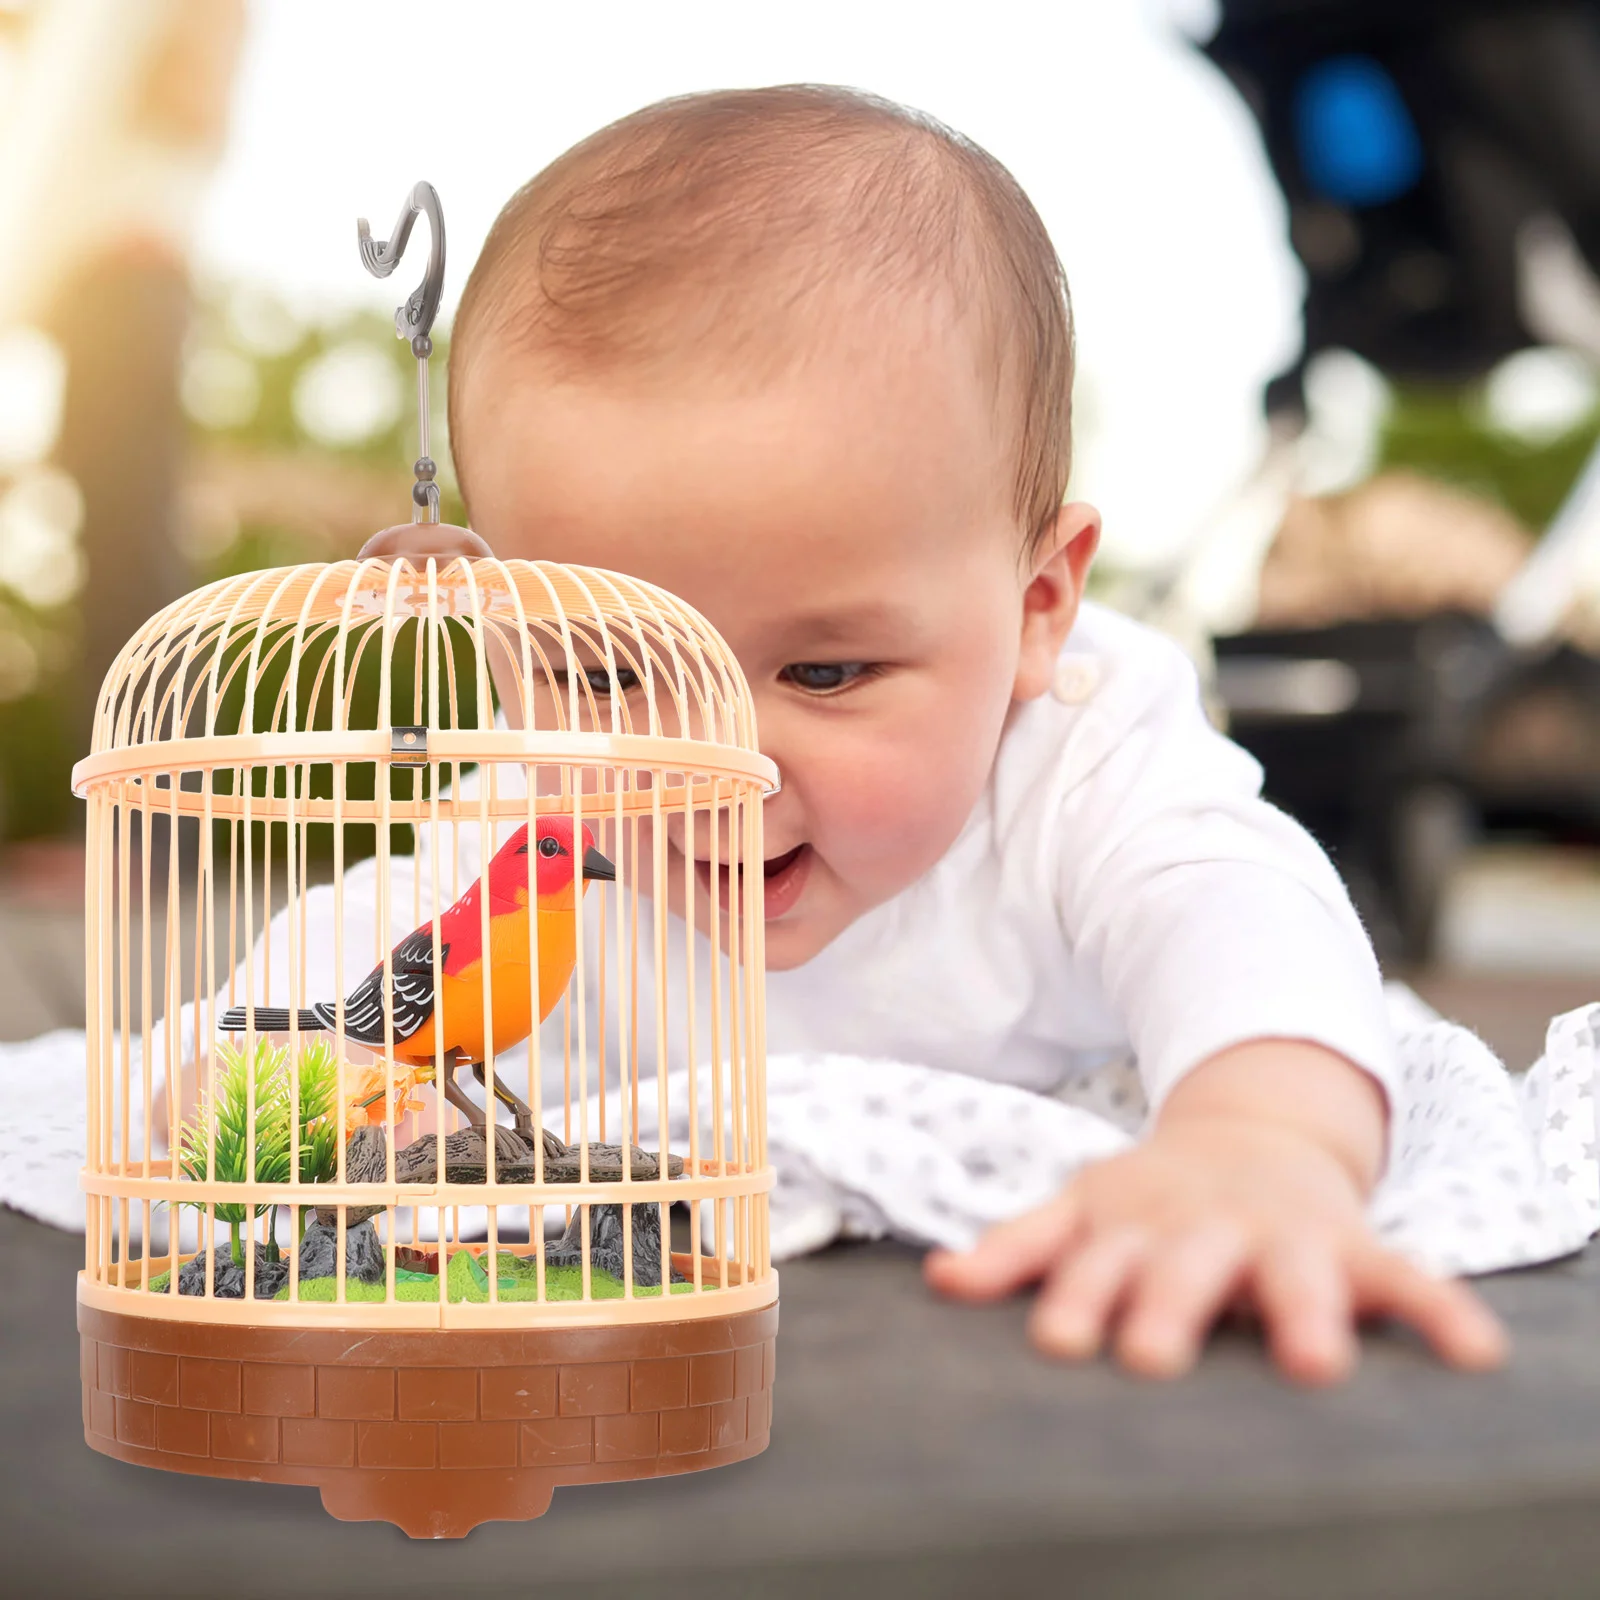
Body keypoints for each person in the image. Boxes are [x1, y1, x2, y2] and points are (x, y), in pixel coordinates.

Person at [430, 84, 1508, 1382]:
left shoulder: (1084, 760)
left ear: (1036, 608)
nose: (711, 766)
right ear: (504, 639)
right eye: (606, 672)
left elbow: (1237, 911)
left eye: (822, 671)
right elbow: (378, 948)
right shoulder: (528, 805)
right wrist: (274, 1074)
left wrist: (1257, 1142)